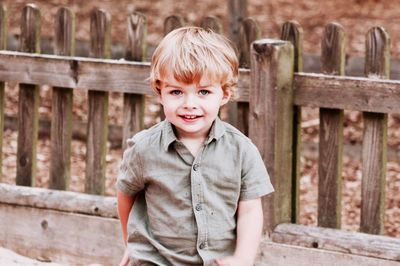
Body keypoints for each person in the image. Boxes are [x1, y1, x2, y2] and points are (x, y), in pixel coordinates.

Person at [116, 26, 274, 266]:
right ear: (160, 93)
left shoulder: (241, 150)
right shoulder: (143, 148)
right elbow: (125, 194)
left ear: (224, 94)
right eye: (177, 91)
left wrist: (242, 258)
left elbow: (251, 209)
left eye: (203, 92)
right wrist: (132, 243)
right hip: (155, 260)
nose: (190, 104)